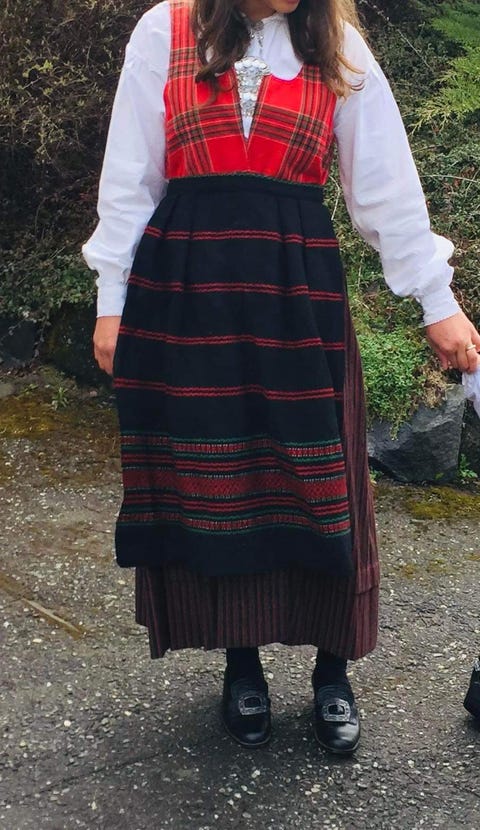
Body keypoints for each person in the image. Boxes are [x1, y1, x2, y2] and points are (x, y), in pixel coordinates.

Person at [82, 0, 480, 755]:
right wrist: (112, 302)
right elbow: (131, 178)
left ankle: (333, 673)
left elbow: (385, 186)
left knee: (324, 479)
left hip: (299, 294)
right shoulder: (165, 31)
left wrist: (438, 301)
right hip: (190, 294)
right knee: (223, 481)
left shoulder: (336, 44)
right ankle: (242, 666)